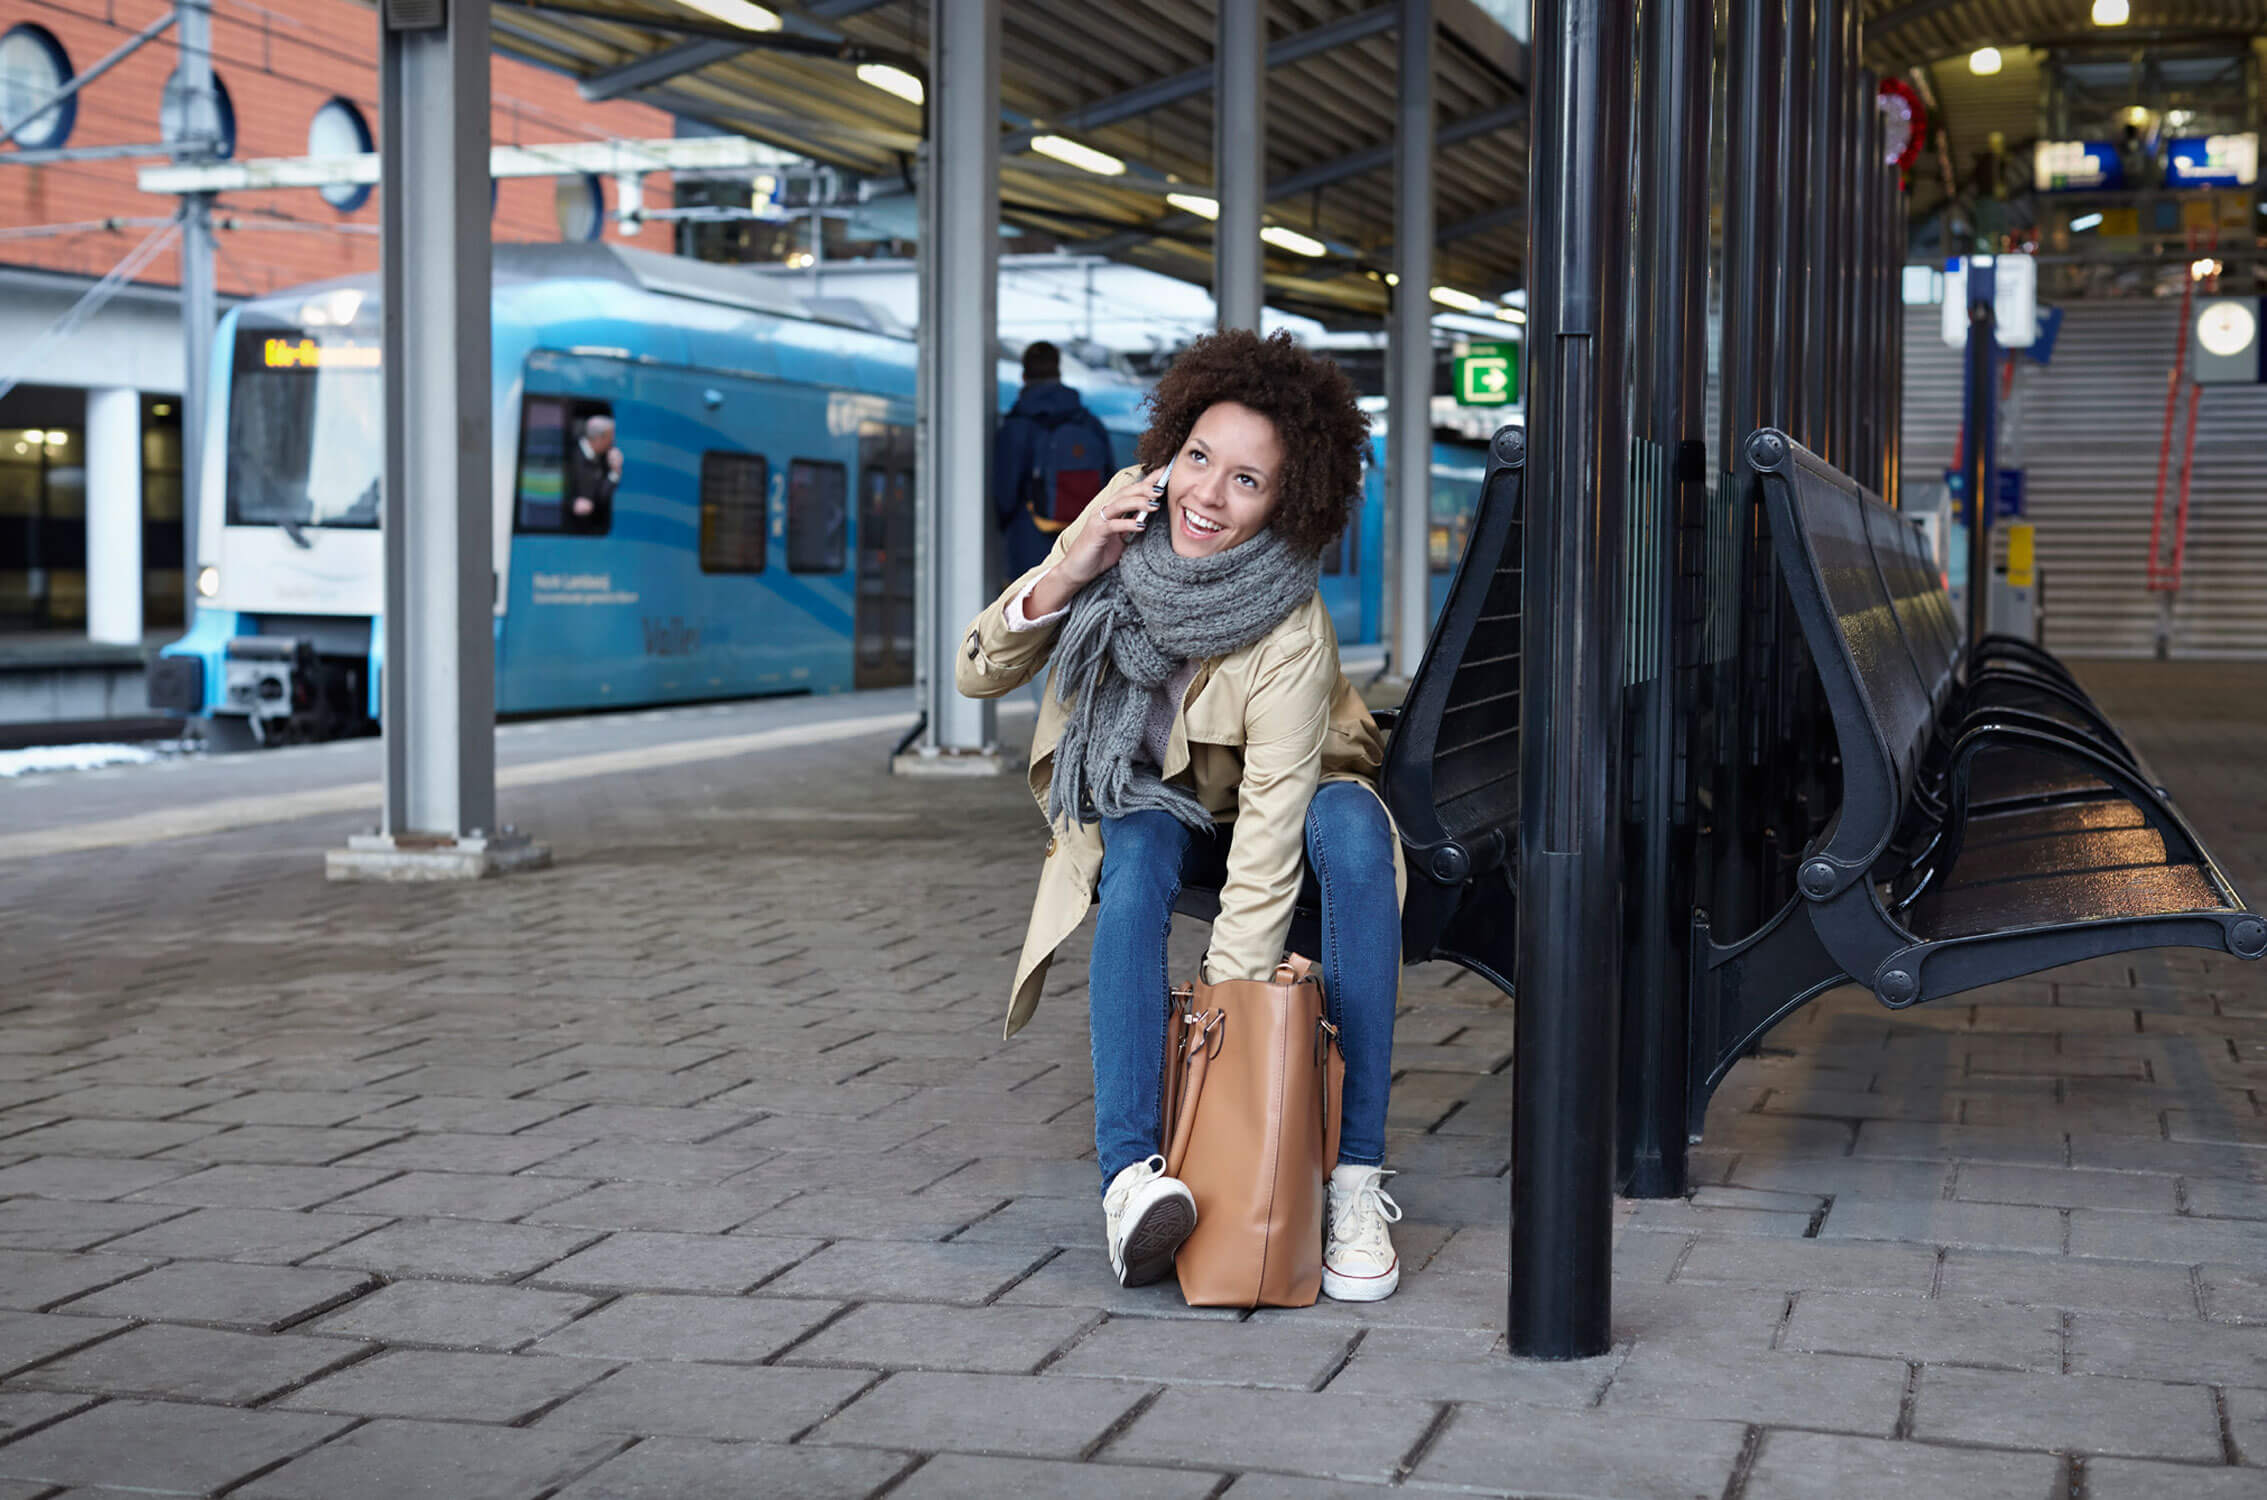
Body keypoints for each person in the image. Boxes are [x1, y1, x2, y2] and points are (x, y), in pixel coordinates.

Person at [956, 329, 1406, 1302]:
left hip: (1295, 793)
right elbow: (976, 671)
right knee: (1134, 856)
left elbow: (1268, 843)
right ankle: (1129, 1180)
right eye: (1198, 458)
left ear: (1286, 501)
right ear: (1166, 454)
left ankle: (1353, 1179)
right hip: (1163, 790)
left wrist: (1224, 1061)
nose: (1207, 495)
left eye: (1246, 481)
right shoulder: (1118, 530)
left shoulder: (1290, 624)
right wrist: (1072, 563)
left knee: (1356, 840)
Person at [994, 341, 1114, 583]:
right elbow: (1111, 483)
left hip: (1030, 542)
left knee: (1031, 601)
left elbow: (1005, 498)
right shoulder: (1089, 423)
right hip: (1082, 541)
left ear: (1024, 376)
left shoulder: (1016, 427)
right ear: (1059, 372)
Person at [565, 414, 622, 533]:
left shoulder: (604, 458)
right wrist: (572, 504)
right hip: (571, 529)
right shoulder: (570, 455)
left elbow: (601, 496)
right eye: (610, 437)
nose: (613, 442)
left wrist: (615, 472)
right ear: (599, 439)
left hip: (593, 529)